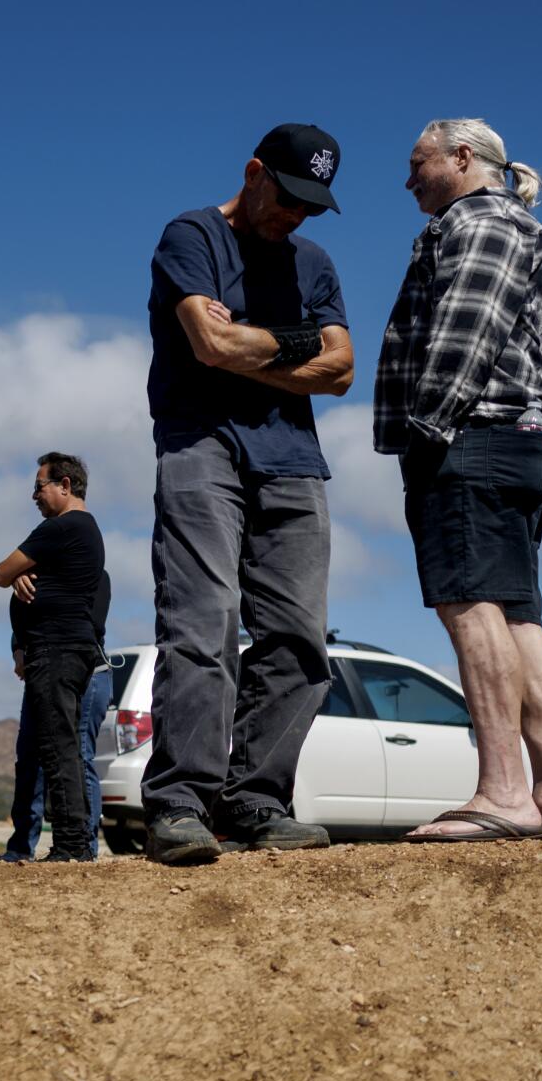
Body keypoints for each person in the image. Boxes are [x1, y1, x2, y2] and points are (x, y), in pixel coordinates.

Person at [138, 124, 354, 867]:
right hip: (200, 443)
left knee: (300, 634)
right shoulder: (190, 237)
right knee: (205, 620)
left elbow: (344, 368)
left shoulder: (314, 263)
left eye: (310, 207)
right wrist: (296, 346)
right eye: (287, 197)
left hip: (293, 461)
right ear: (254, 172)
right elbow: (210, 345)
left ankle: (257, 798)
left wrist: (256, 347)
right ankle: (179, 803)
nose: (293, 217)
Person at [378, 119, 542, 842]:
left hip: (474, 436)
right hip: (517, 439)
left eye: (417, 164)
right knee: (518, 615)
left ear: (462, 158)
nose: (408, 180)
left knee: (470, 604)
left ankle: (504, 791)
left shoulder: (480, 220)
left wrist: (426, 430)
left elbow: (465, 330)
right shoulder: (513, 223)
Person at [0, 453, 106, 862]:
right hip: (66, 651)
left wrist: (19, 571)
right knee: (63, 745)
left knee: (58, 748)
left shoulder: (62, 527)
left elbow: (0, 573)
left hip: (56, 651)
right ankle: (74, 842)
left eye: (39, 487)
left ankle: (72, 845)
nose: (35, 496)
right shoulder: (84, 530)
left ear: (65, 485)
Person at [4, 569, 110, 862]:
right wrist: (19, 649)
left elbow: (90, 625)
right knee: (29, 758)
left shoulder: (95, 575)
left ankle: (83, 845)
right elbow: (21, 616)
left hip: (87, 674)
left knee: (79, 756)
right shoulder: (33, 577)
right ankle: (20, 846)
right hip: (41, 671)